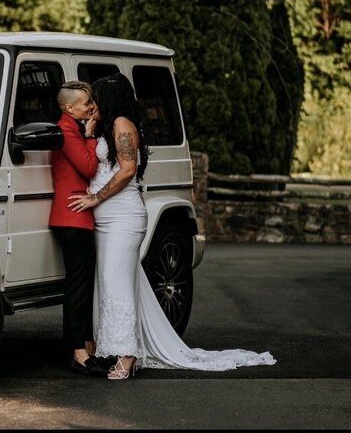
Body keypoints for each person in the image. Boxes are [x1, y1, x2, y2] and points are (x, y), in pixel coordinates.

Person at [69, 73, 275, 380]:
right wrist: (87, 131)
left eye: (97, 98)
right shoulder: (105, 127)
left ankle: (127, 356)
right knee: (113, 283)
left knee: (118, 285)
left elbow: (127, 171)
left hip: (122, 217)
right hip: (106, 219)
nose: (94, 104)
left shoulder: (122, 124)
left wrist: (95, 198)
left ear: (110, 99)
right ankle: (116, 345)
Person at [49, 81, 106, 377]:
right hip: (71, 217)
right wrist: (91, 134)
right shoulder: (67, 129)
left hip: (78, 217)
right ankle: (78, 353)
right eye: (86, 103)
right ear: (70, 108)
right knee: (77, 288)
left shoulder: (71, 127)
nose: (91, 107)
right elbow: (87, 166)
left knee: (82, 285)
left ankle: (86, 345)